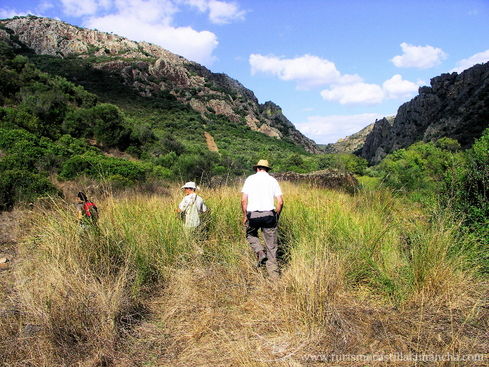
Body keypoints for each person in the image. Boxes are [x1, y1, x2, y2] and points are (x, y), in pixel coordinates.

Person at [241, 159, 283, 279]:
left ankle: (260, 252)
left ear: (257, 168)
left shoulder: (250, 179)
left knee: (250, 234)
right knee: (271, 247)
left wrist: (245, 216)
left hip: (253, 215)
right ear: (267, 169)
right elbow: (280, 202)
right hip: (269, 215)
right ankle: (274, 277)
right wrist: (276, 216)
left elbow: (243, 200)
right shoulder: (273, 180)